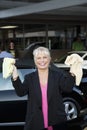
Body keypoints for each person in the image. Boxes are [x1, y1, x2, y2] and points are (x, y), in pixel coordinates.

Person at [11, 46, 75, 130]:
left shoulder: (57, 76)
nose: (42, 61)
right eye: (39, 58)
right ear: (35, 60)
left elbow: (68, 88)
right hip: (35, 122)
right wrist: (15, 78)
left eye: (45, 57)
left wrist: (73, 74)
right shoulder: (29, 78)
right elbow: (20, 92)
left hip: (56, 121)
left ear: (49, 59)